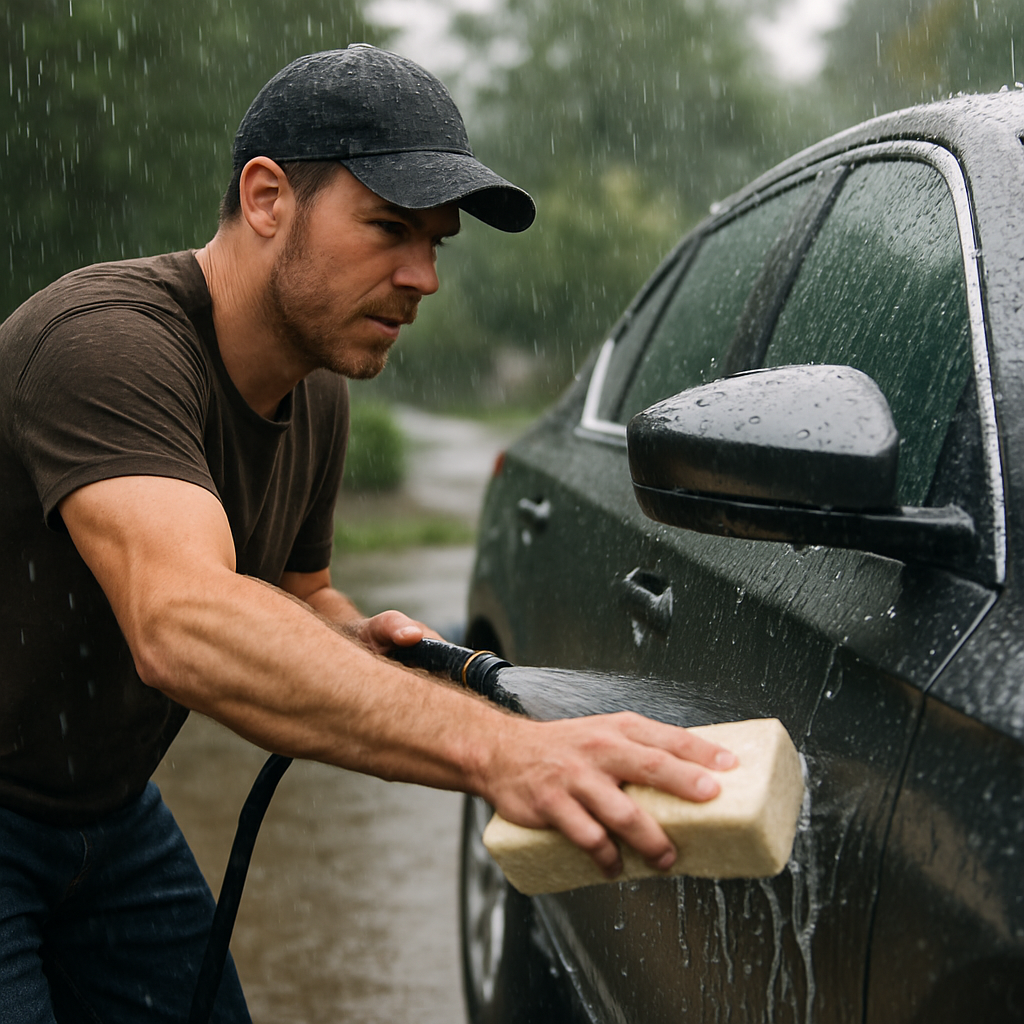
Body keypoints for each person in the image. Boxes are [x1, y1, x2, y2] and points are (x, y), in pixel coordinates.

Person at [0, 44, 736, 1021]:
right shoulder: (106, 344)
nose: (422, 277)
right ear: (266, 197)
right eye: (389, 227)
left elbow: (299, 593)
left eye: (436, 243)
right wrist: (499, 752)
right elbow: (182, 621)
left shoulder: (317, 394)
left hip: (106, 810)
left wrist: (365, 648)